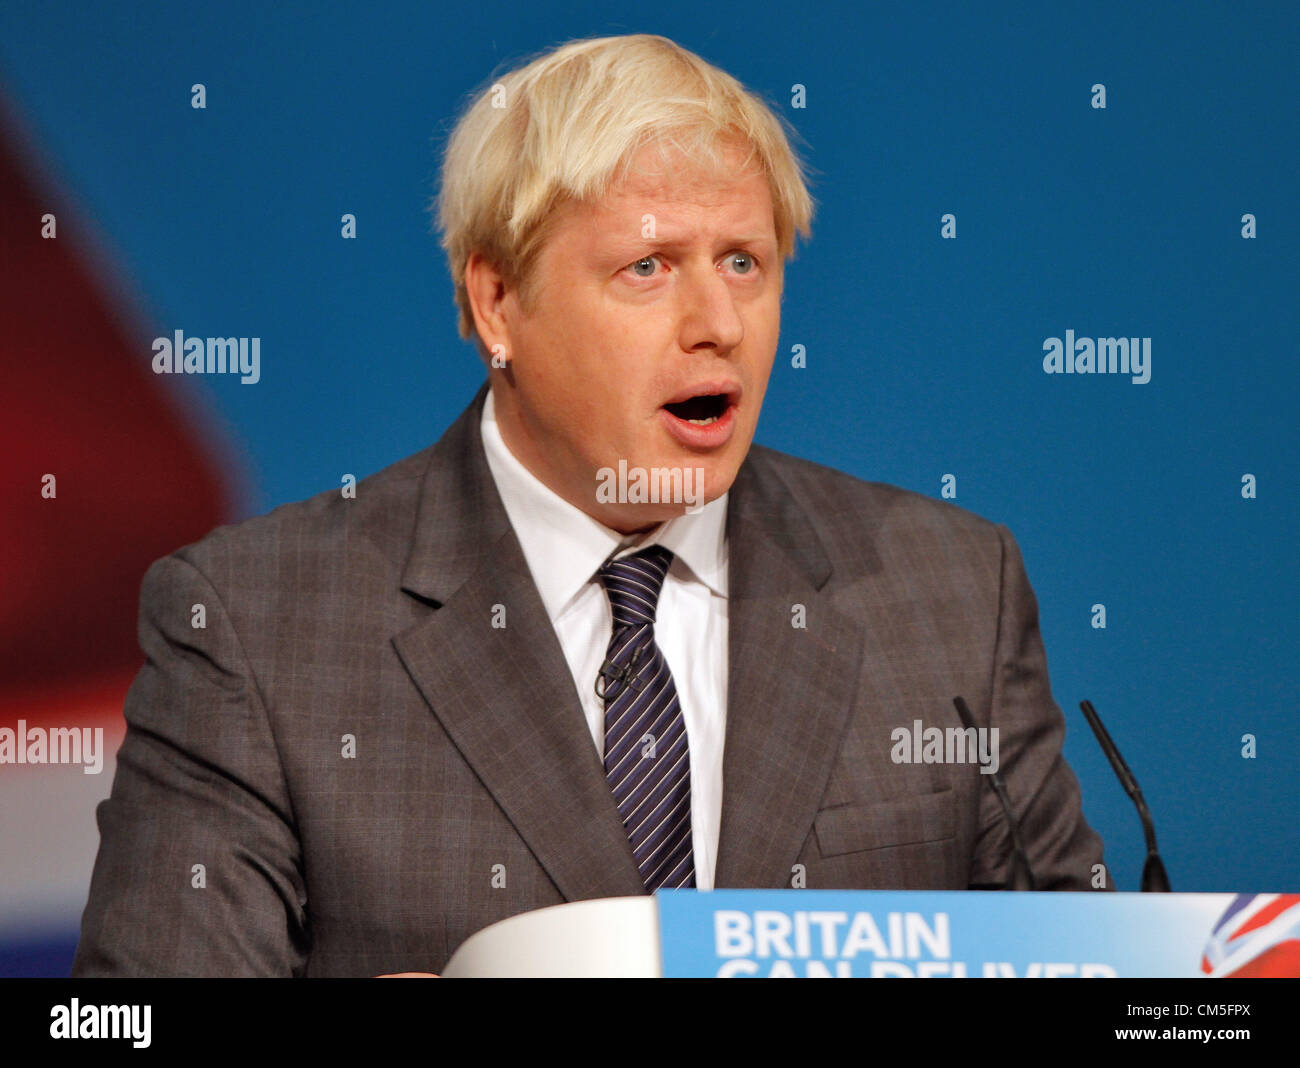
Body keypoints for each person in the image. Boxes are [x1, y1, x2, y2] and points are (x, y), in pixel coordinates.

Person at [72, 33, 1107, 978]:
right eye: (648, 267)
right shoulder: (259, 625)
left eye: (743, 262)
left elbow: (1096, 972)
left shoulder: (947, 591)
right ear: (497, 304)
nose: (718, 324)